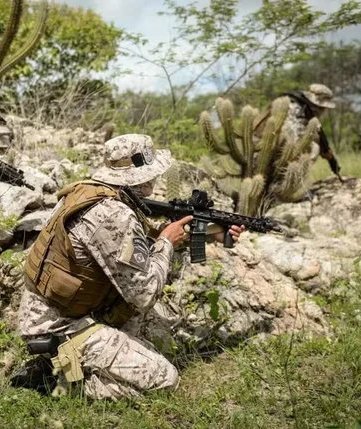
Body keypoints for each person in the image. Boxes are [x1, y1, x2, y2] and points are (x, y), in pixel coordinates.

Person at [17, 134, 245, 400]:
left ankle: (73, 361)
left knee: (157, 344)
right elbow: (144, 293)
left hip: (55, 311)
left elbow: (132, 244)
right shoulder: (115, 214)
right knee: (165, 380)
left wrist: (210, 233)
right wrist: (167, 243)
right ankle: (59, 378)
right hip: (61, 327)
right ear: (144, 176)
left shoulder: (89, 193)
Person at [277, 83, 342, 179]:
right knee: (314, 148)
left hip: (278, 143)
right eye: (322, 108)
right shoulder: (296, 109)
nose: (322, 111)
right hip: (281, 145)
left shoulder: (300, 106)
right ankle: (295, 181)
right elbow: (293, 137)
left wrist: (327, 152)